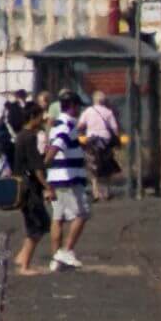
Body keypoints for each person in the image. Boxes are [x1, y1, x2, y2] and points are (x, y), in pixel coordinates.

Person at [47, 92, 90, 271]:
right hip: (67, 178)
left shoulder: (57, 123)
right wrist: (45, 164)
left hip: (57, 179)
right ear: (71, 105)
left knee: (58, 218)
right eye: (78, 105)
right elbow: (57, 146)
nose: (79, 109)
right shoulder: (66, 125)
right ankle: (66, 250)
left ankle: (56, 259)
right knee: (82, 213)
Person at [12, 104, 52, 274]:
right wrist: (48, 187)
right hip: (30, 187)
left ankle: (22, 256)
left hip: (23, 184)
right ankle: (25, 266)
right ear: (33, 116)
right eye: (40, 116)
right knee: (39, 223)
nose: (42, 119)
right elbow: (37, 168)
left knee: (34, 222)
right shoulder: (30, 137)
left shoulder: (21, 135)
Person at [77, 90, 121, 201]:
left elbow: (80, 126)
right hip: (105, 141)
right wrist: (116, 139)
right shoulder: (108, 112)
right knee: (107, 166)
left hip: (92, 141)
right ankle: (107, 191)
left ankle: (96, 192)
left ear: (94, 100)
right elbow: (115, 128)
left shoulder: (88, 111)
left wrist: (82, 132)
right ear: (104, 100)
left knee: (93, 166)